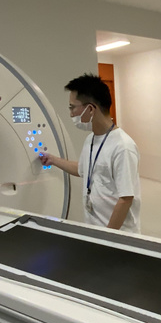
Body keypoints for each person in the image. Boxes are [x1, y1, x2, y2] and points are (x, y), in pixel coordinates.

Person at [40, 73, 141, 232]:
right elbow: (83, 169)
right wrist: (53, 160)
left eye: (72, 107)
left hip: (118, 235)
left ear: (90, 109)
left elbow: (126, 198)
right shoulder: (91, 140)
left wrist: (107, 236)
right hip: (96, 229)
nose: (71, 113)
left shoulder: (123, 146)